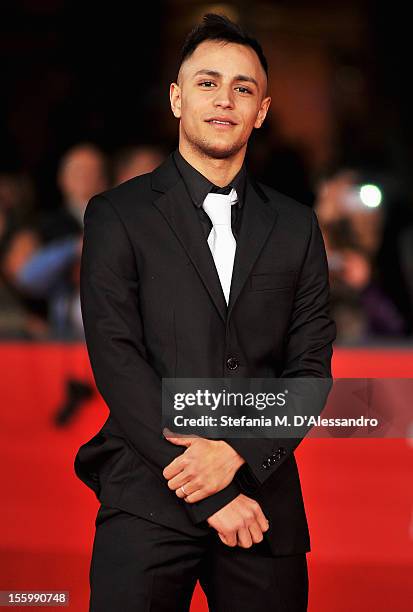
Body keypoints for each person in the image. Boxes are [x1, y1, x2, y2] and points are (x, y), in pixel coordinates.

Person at [74, 13, 336, 612]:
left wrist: (237, 450)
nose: (225, 100)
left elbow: (311, 370)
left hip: (263, 502)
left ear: (262, 110)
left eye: (243, 88)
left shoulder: (296, 226)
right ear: (176, 98)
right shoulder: (118, 215)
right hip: (147, 494)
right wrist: (207, 490)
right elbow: (117, 362)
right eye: (207, 82)